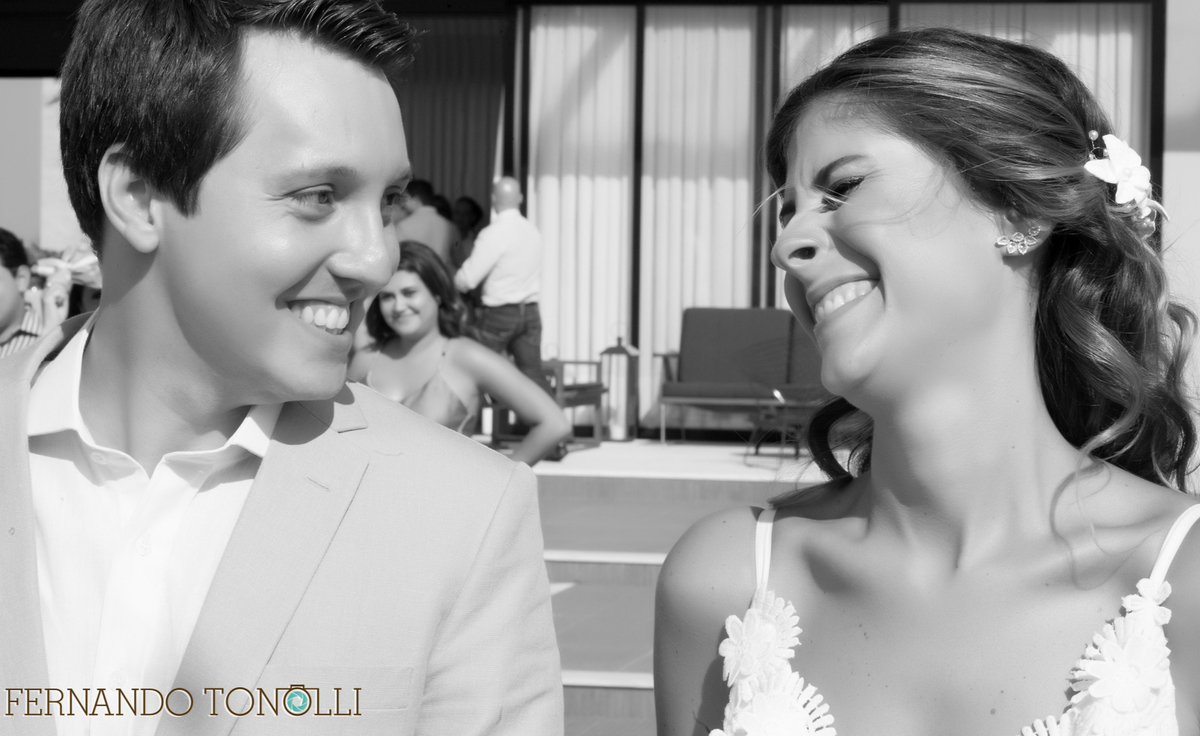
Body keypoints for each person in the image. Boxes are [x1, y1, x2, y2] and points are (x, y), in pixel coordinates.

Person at [0, 2, 562, 735]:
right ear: (138, 195)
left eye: (390, 202)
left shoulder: (466, 514)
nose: (376, 259)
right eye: (317, 197)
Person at [655, 28, 1199, 736]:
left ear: (1020, 209)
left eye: (843, 188)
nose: (785, 246)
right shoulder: (723, 581)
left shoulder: (1185, 580)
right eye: (788, 211)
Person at [348, 241, 571, 465]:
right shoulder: (367, 359)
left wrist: (501, 480)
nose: (398, 306)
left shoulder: (467, 356)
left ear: (437, 294)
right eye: (387, 297)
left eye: (409, 293)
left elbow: (554, 423)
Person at [454, 177, 547, 389]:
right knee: (533, 375)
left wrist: (447, 282)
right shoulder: (532, 231)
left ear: (493, 199)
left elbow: (467, 279)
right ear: (520, 198)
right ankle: (550, 411)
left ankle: (475, 411)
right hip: (530, 312)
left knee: (476, 371)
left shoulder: (494, 232)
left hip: (499, 313)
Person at [396, 178, 458, 264]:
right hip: (442, 271)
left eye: (406, 199)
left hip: (415, 270)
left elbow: (398, 258)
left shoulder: (403, 226)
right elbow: (459, 260)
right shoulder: (450, 226)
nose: (403, 204)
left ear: (416, 199)